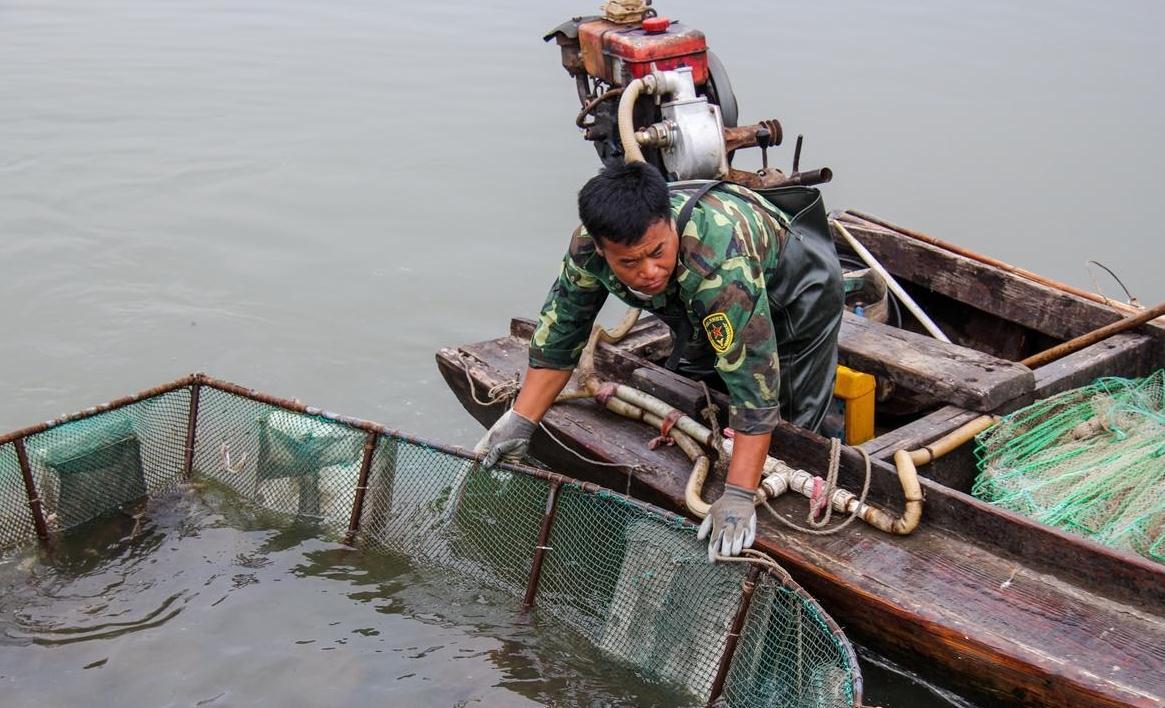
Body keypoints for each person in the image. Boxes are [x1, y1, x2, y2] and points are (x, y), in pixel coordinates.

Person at [482, 162, 844, 561]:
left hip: (795, 290)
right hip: (695, 297)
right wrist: (521, 420)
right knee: (689, 385)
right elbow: (561, 334)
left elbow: (754, 387)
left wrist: (739, 494)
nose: (648, 272)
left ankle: (787, 494)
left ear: (670, 225)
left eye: (657, 252)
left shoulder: (719, 266)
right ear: (602, 249)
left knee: (791, 422)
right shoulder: (588, 248)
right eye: (629, 263)